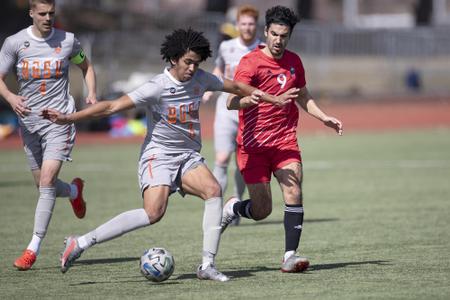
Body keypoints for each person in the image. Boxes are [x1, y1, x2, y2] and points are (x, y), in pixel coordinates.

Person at [42, 28, 296, 281]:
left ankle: (207, 265)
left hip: (187, 156)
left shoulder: (202, 79)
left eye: (197, 63)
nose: (193, 69)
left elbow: (237, 86)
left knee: (214, 190)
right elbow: (111, 106)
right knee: (153, 213)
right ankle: (81, 242)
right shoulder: (157, 87)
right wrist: (69, 118)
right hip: (158, 156)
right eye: (188, 62)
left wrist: (272, 99)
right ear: (174, 58)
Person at [221, 6, 343, 273]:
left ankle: (290, 255)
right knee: (262, 210)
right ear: (266, 32)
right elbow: (230, 101)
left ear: (289, 36)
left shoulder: (294, 62)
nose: (278, 40)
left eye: (284, 36)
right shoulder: (250, 63)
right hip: (253, 146)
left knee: (294, 190)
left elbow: (302, 96)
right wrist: (246, 100)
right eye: (274, 34)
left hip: (284, 142)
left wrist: (323, 117)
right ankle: (234, 208)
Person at [0, 0, 97, 271]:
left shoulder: (68, 41)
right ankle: (75, 191)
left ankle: (33, 248)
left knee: (46, 180)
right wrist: (10, 96)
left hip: (60, 121)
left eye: (51, 13)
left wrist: (91, 93)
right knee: (44, 186)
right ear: (31, 13)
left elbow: (86, 66)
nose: (47, 18)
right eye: (42, 13)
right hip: (28, 123)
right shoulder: (15, 43)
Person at [202, 5, 261, 226]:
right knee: (222, 158)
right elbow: (219, 70)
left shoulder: (262, 50)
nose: (247, 27)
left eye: (251, 24)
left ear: (257, 26)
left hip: (251, 113)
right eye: (243, 23)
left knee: (242, 162)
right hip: (226, 109)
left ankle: (234, 203)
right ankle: (216, 207)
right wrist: (208, 90)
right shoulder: (226, 46)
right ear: (237, 26)